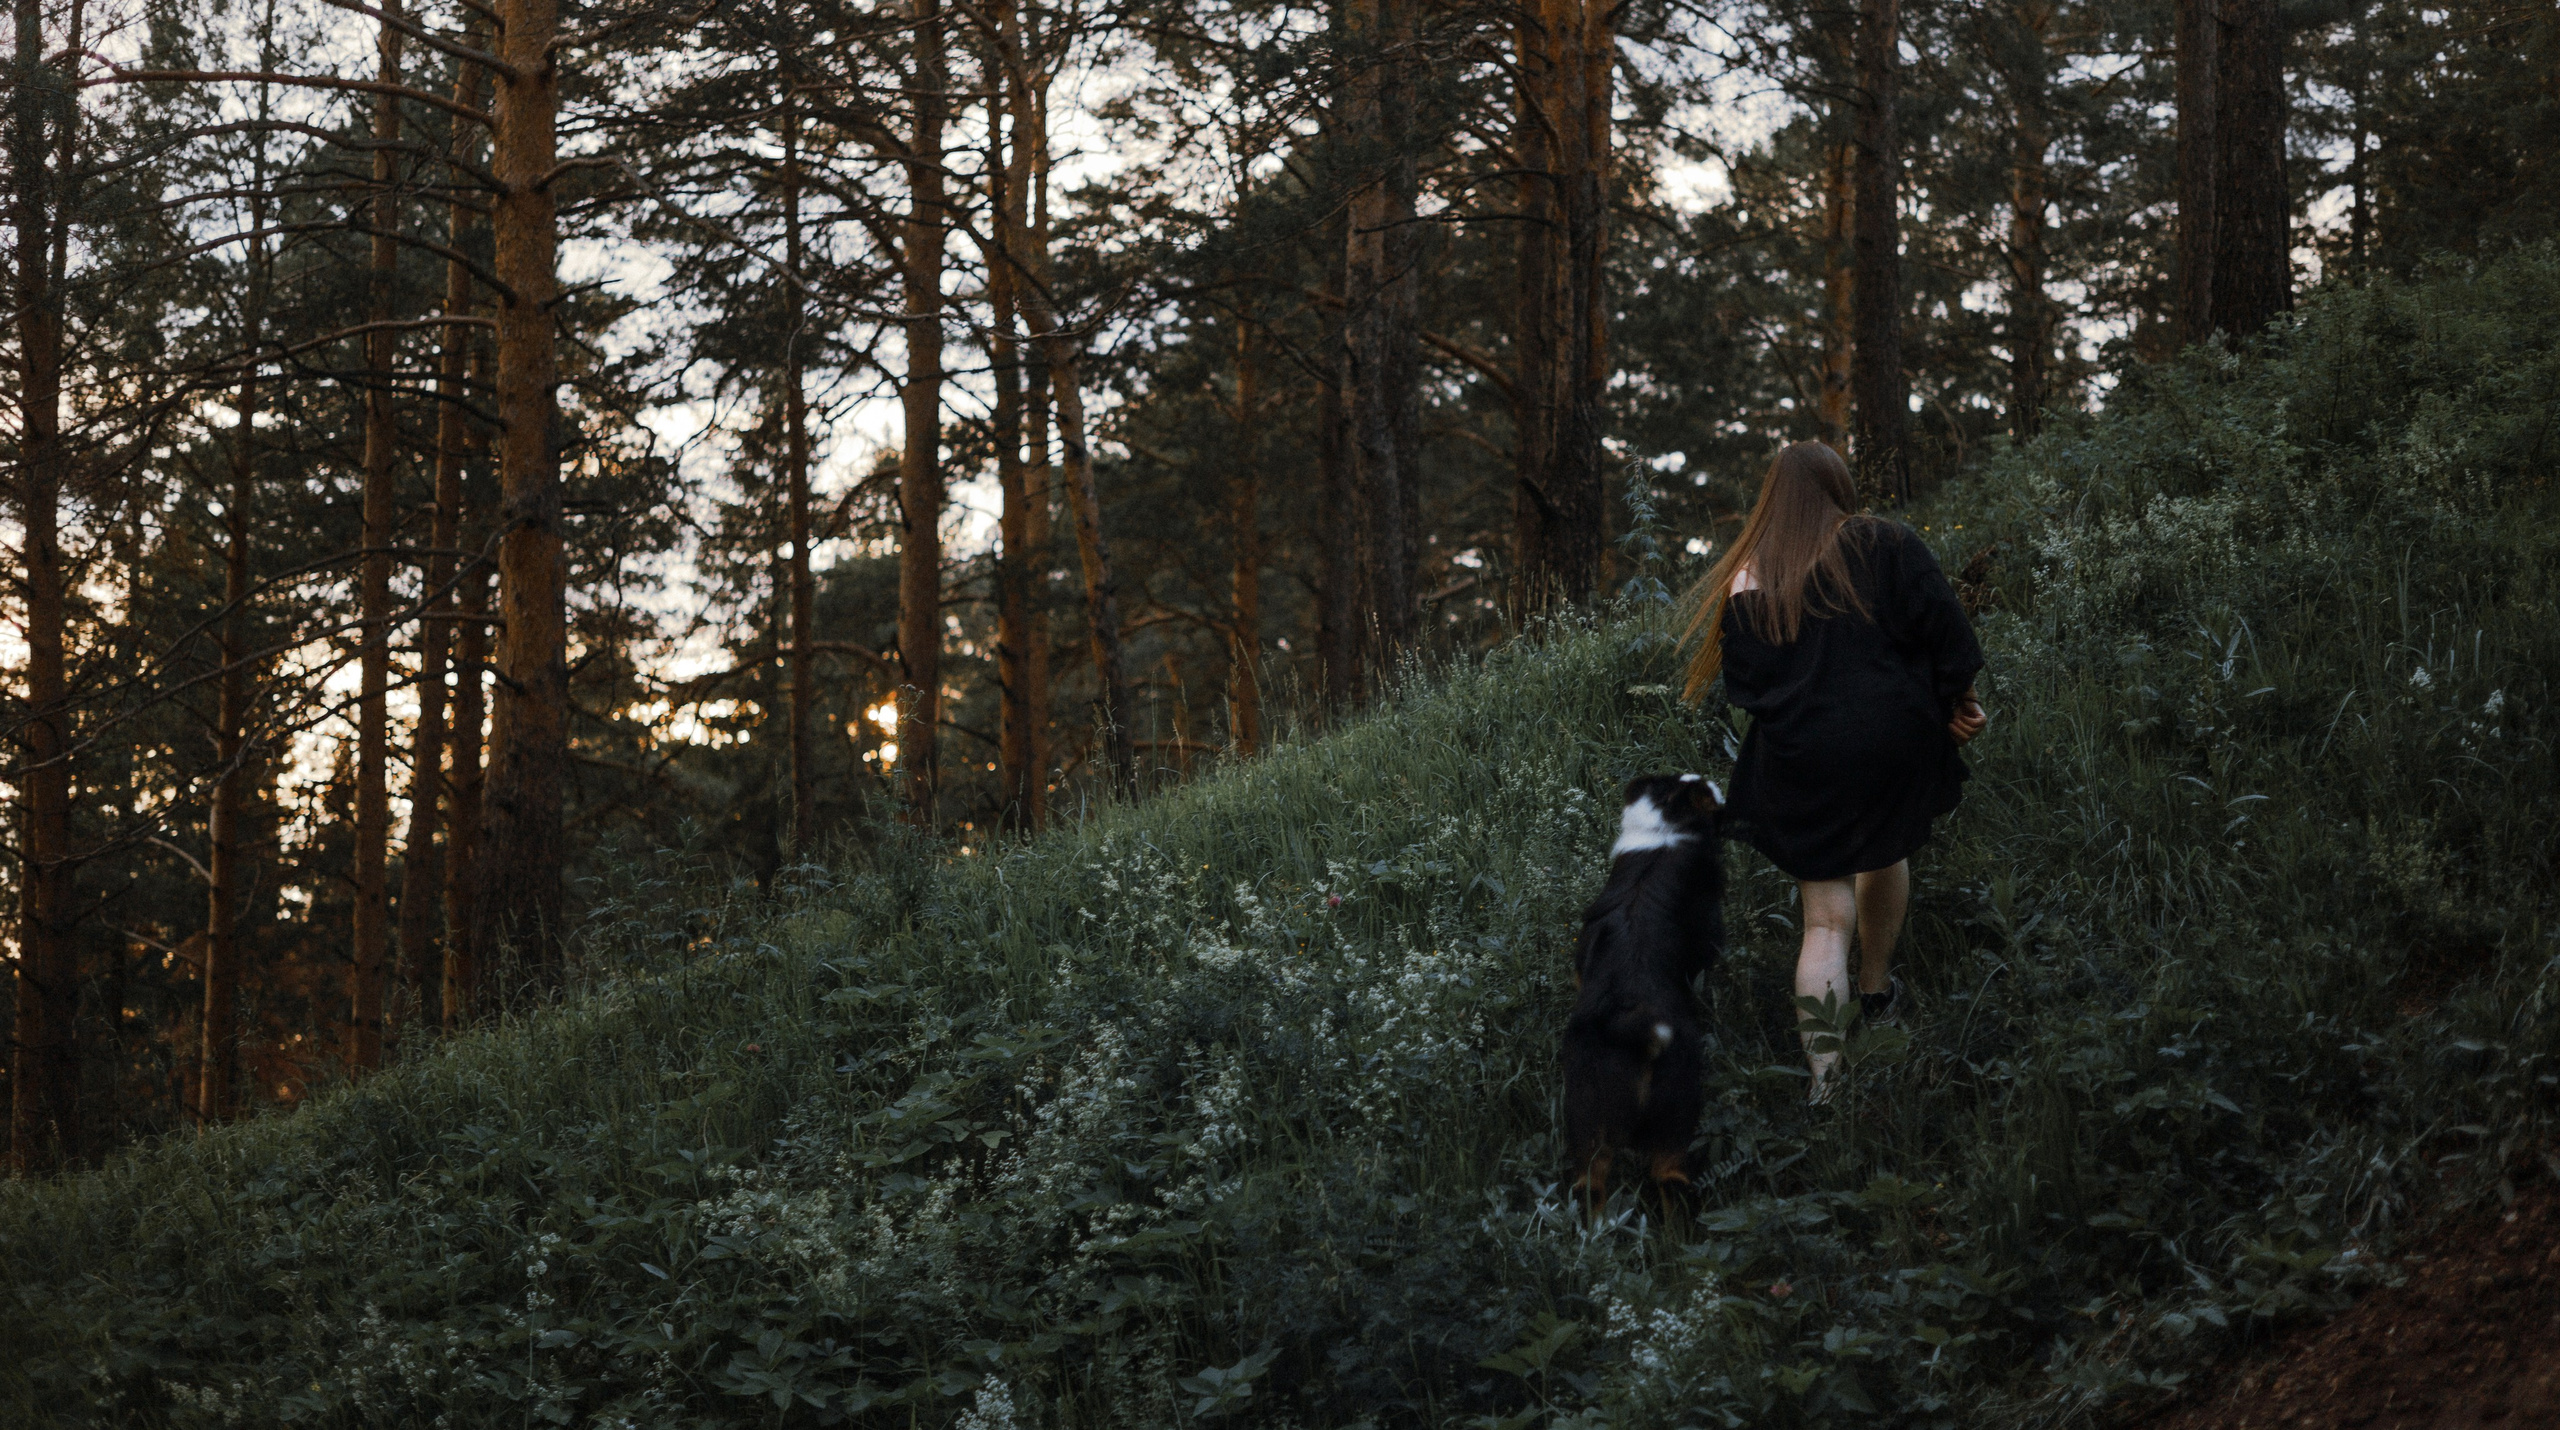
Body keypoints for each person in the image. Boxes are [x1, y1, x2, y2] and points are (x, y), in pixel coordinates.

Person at [1681, 441, 1986, 1101]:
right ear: (1838, 488)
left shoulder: (1746, 580)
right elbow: (1947, 632)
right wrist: (1957, 701)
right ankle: (1876, 991)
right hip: (1893, 741)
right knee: (1887, 848)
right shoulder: (1885, 541)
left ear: (1773, 501)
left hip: (1805, 759)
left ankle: (1829, 1086)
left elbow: (1749, 692)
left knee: (1824, 921)